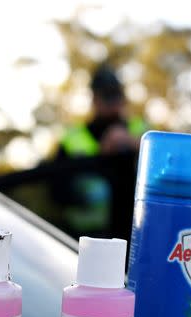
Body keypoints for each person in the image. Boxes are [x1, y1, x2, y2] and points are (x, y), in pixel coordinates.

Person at [54, 66, 147, 238]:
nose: (113, 103)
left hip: (133, 238)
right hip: (85, 240)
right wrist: (100, 156)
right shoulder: (71, 138)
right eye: (107, 96)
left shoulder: (141, 131)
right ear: (94, 99)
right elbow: (57, 192)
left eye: (117, 95)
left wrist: (135, 143)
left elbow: (167, 161)